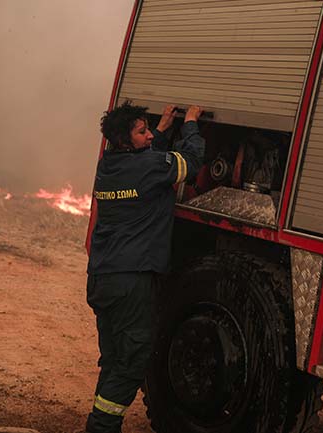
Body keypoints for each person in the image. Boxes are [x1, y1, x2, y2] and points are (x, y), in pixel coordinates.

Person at [84, 102, 205, 433]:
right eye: (143, 131)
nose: (150, 134)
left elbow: (146, 166)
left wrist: (162, 130)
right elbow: (190, 163)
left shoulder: (106, 167)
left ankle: (100, 424)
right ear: (125, 142)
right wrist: (190, 124)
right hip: (130, 283)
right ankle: (101, 428)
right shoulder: (150, 167)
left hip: (102, 279)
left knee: (113, 359)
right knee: (130, 363)